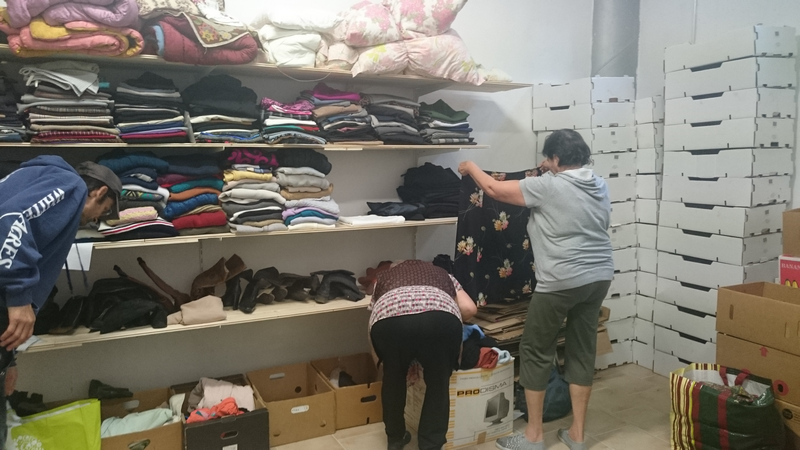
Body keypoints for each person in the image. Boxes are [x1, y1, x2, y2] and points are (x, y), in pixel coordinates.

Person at [458, 129, 613, 450]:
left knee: (535, 351)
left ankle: (533, 437)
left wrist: (471, 166)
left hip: (561, 281)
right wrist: (549, 171)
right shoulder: (599, 184)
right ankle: (577, 436)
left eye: (548, 158)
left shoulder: (548, 187)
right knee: (581, 350)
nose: (544, 163)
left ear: (556, 158)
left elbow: (493, 189)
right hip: (598, 277)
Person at [0, 155, 121, 446]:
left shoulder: (34, 178)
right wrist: (19, 296)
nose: (96, 219)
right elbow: (12, 219)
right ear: (99, 191)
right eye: (102, 211)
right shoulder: (70, 185)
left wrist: (8, 359)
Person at [369, 259, 477, 450]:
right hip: (440, 320)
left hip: (390, 322)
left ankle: (395, 439)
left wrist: (385, 361)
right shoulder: (444, 274)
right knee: (438, 383)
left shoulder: (383, 278)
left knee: (393, 378)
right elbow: (469, 309)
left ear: (396, 268)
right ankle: (431, 444)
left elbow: (374, 317)